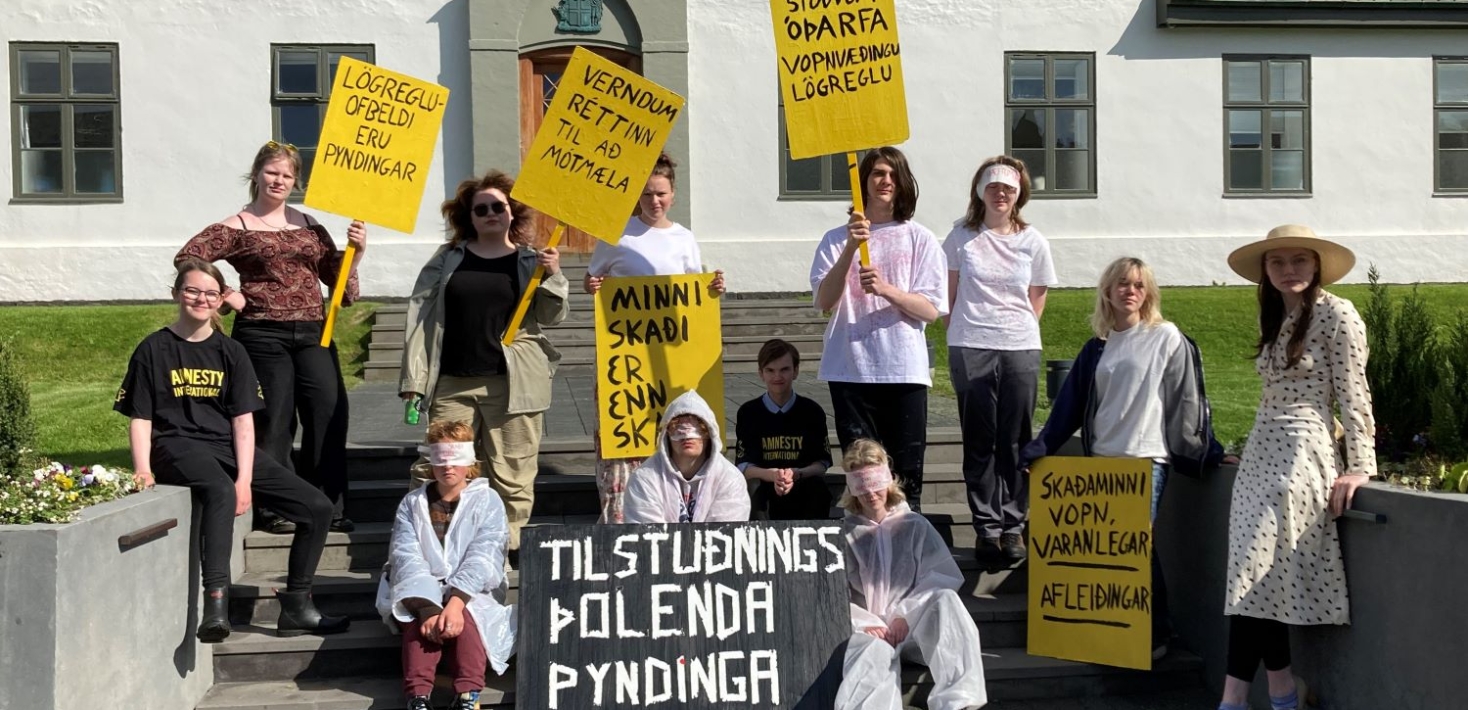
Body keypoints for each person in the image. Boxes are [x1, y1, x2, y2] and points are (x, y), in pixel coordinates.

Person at [116, 258, 348, 642]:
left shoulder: (231, 351)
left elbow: (243, 422)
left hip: (223, 445)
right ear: (176, 294)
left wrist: (246, 479)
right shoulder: (154, 348)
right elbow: (141, 417)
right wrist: (143, 468)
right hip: (175, 445)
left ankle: (297, 605)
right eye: (192, 290)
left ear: (221, 299)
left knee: (318, 508)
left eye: (211, 293)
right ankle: (216, 606)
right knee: (219, 490)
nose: (201, 299)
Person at [1019, 256, 1225, 659]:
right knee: (1107, 554)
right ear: (1108, 291)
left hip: (1147, 459)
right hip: (1103, 461)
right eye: (1123, 284)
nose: (1130, 291)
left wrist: (1208, 452)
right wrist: (1038, 449)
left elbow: (1187, 400)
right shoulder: (1098, 347)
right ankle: (1109, 636)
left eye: (1139, 285)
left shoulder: (1165, 336)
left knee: (1136, 547)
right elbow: (1068, 407)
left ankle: (1156, 633)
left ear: (1148, 293)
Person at [1216, 225, 1376, 710]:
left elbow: (1354, 393)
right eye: (1278, 262)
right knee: (1253, 575)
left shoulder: (1338, 314)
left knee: (1257, 571)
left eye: (1300, 260)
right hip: (1261, 451)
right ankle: (1280, 691)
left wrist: (1360, 465)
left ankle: (1237, 699)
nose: (1289, 270)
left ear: (1317, 265)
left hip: (1303, 452)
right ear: (1266, 270)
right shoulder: (1273, 315)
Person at [177, 140, 365, 534]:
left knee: (328, 413)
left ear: (296, 181)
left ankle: (329, 506)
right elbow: (189, 258)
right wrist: (225, 294)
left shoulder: (309, 224)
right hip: (262, 334)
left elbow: (339, 285)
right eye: (272, 172)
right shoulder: (237, 226)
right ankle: (278, 507)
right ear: (256, 175)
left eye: (287, 175)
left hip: (314, 332)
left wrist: (356, 252)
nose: (279, 180)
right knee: (274, 421)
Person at [398, 170, 567, 560]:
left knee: (513, 473)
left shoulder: (530, 261)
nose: (491, 213)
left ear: (512, 212)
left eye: (498, 207)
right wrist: (414, 380)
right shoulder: (447, 260)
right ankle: (432, 547)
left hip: (514, 384)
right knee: (441, 465)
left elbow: (551, 316)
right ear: (468, 217)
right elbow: (420, 316)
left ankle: (504, 549)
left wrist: (554, 276)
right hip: (452, 382)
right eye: (481, 209)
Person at [585, 153, 726, 523]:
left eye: (661, 193)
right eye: (647, 194)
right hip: (625, 359)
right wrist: (593, 285)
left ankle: (672, 516)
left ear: (673, 194)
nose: (654, 201)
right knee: (623, 441)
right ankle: (618, 522)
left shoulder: (684, 238)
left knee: (671, 433)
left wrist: (713, 287)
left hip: (671, 360)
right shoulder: (616, 235)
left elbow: (695, 293)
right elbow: (592, 280)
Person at [810, 146, 948, 511]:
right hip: (851, 370)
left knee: (905, 479)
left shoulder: (920, 238)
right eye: (877, 173)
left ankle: (906, 538)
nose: (885, 181)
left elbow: (931, 310)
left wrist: (887, 289)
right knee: (863, 479)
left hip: (903, 370)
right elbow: (824, 301)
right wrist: (850, 249)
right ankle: (866, 540)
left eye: (892, 174)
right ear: (863, 182)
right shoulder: (835, 239)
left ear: (902, 183)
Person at [943, 155, 1057, 562]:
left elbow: (1037, 297)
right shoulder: (960, 238)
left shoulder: (1033, 240)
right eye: (993, 187)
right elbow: (947, 296)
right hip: (970, 343)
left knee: (1016, 437)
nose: (1000, 194)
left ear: (1019, 194)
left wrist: (1015, 330)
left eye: (1008, 188)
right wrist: (965, 332)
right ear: (980, 192)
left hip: (1019, 346)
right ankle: (986, 528)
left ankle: (1013, 525)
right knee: (979, 438)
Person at [835, 439, 987, 710]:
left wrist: (905, 615)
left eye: (876, 483)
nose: (871, 494)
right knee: (873, 653)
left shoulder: (915, 525)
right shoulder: (842, 533)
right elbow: (832, 592)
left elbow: (941, 574)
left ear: (888, 479)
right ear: (851, 488)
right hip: (866, 634)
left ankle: (959, 702)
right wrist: (864, 622)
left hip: (914, 631)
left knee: (946, 600)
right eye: (862, 486)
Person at [376, 420, 515, 710]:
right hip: (418, 590)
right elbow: (406, 556)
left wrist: (456, 601)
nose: (448, 467)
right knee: (419, 629)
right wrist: (427, 608)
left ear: (470, 461)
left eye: (455, 459)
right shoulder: (412, 504)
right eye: (440, 459)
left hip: (473, 591)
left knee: (469, 625)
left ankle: (468, 693)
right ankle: (418, 696)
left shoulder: (488, 501)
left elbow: (485, 554)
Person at [735, 338, 834, 520]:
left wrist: (796, 474)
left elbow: (822, 464)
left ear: (795, 371)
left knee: (817, 487)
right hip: (765, 486)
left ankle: (811, 537)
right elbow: (744, 467)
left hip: (800, 482)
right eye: (770, 370)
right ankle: (760, 536)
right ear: (761, 373)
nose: (777, 377)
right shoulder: (749, 412)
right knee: (752, 487)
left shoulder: (812, 411)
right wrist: (773, 475)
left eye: (784, 369)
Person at [622, 390, 751, 524]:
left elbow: (726, 531)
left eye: (698, 429)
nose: (687, 436)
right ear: (667, 434)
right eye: (678, 429)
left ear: (709, 433)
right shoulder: (644, 478)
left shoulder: (730, 479)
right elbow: (647, 531)